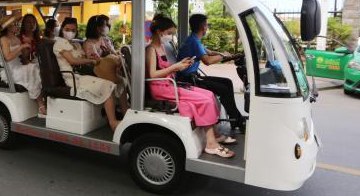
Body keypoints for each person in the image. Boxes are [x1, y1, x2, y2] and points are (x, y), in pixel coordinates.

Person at [147, 15, 236, 158]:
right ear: (159, 31)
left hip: (171, 84)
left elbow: (168, 68)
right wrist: (176, 67)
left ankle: (215, 135)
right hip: (162, 88)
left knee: (209, 95)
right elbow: (152, 73)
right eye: (169, 33)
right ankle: (211, 144)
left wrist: (180, 65)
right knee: (205, 100)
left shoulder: (162, 47)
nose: (170, 36)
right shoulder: (151, 49)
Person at [53, 17, 125, 131]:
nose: (70, 32)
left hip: (82, 74)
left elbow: (83, 59)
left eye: (73, 30)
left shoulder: (76, 44)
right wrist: (90, 61)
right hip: (72, 77)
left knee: (118, 82)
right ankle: (113, 122)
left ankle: (122, 113)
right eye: (67, 29)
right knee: (107, 85)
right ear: (62, 29)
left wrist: (93, 57)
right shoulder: (59, 44)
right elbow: (72, 61)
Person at [177, 14, 245, 131]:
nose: (207, 27)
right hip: (188, 81)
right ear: (203, 26)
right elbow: (207, 60)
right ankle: (236, 120)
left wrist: (226, 55)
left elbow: (209, 52)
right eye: (207, 24)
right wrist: (223, 56)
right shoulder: (194, 41)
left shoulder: (194, 39)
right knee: (223, 88)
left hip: (193, 77)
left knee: (227, 82)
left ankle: (235, 119)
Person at [0, 14, 47, 115]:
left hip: (18, 66)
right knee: (32, 68)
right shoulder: (4, 39)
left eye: (18, 24)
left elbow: (23, 56)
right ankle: (40, 104)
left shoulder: (17, 39)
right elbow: (7, 57)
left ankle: (43, 99)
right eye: (15, 24)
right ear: (8, 26)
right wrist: (21, 47)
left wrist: (27, 46)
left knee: (37, 68)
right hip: (9, 70)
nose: (18, 26)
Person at [83, 14, 129, 114]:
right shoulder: (89, 43)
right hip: (98, 71)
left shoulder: (106, 40)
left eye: (108, 24)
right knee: (121, 81)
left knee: (127, 73)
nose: (108, 27)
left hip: (111, 69)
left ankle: (126, 108)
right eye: (105, 25)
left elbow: (114, 53)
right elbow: (95, 60)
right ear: (97, 27)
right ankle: (125, 110)